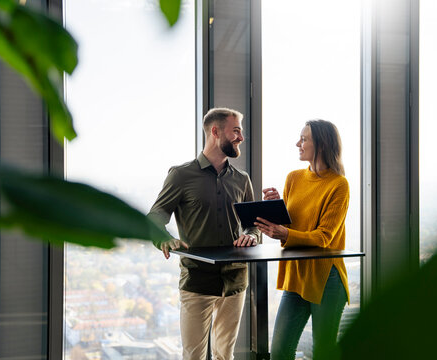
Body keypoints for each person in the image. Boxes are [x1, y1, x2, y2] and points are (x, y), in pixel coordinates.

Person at [147, 107, 260, 360]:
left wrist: (252, 235)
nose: (241, 137)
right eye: (236, 131)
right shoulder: (181, 175)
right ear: (215, 131)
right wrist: (165, 239)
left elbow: (253, 225)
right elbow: (155, 217)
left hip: (236, 281)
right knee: (194, 357)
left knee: (225, 356)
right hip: (197, 282)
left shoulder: (242, 179)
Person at [255, 119, 350, 360]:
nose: (298, 143)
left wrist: (285, 233)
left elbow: (324, 237)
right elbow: (292, 226)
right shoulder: (293, 178)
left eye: (304, 138)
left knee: (323, 352)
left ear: (321, 144)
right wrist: (278, 208)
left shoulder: (338, 185)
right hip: (295, 275)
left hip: (326, 278)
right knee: (278, 352)